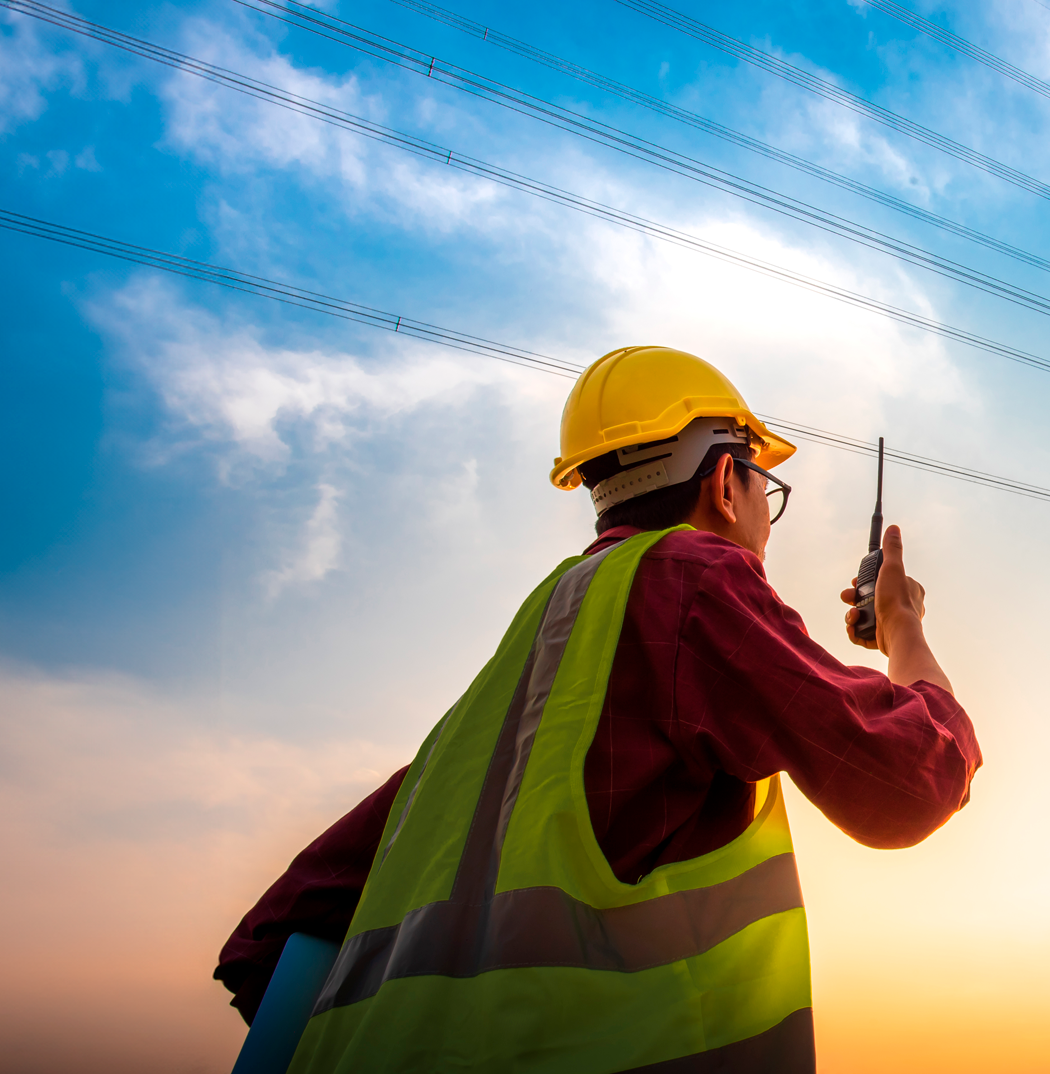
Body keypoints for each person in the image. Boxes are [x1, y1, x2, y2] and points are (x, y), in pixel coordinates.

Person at [215, 345, 981, 1072]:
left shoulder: (528, 653)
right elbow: (909, 781)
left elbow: (272, 940)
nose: (763, 522)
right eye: (764, 493)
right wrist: (905, 630)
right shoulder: (692, 579)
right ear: (723, 482)